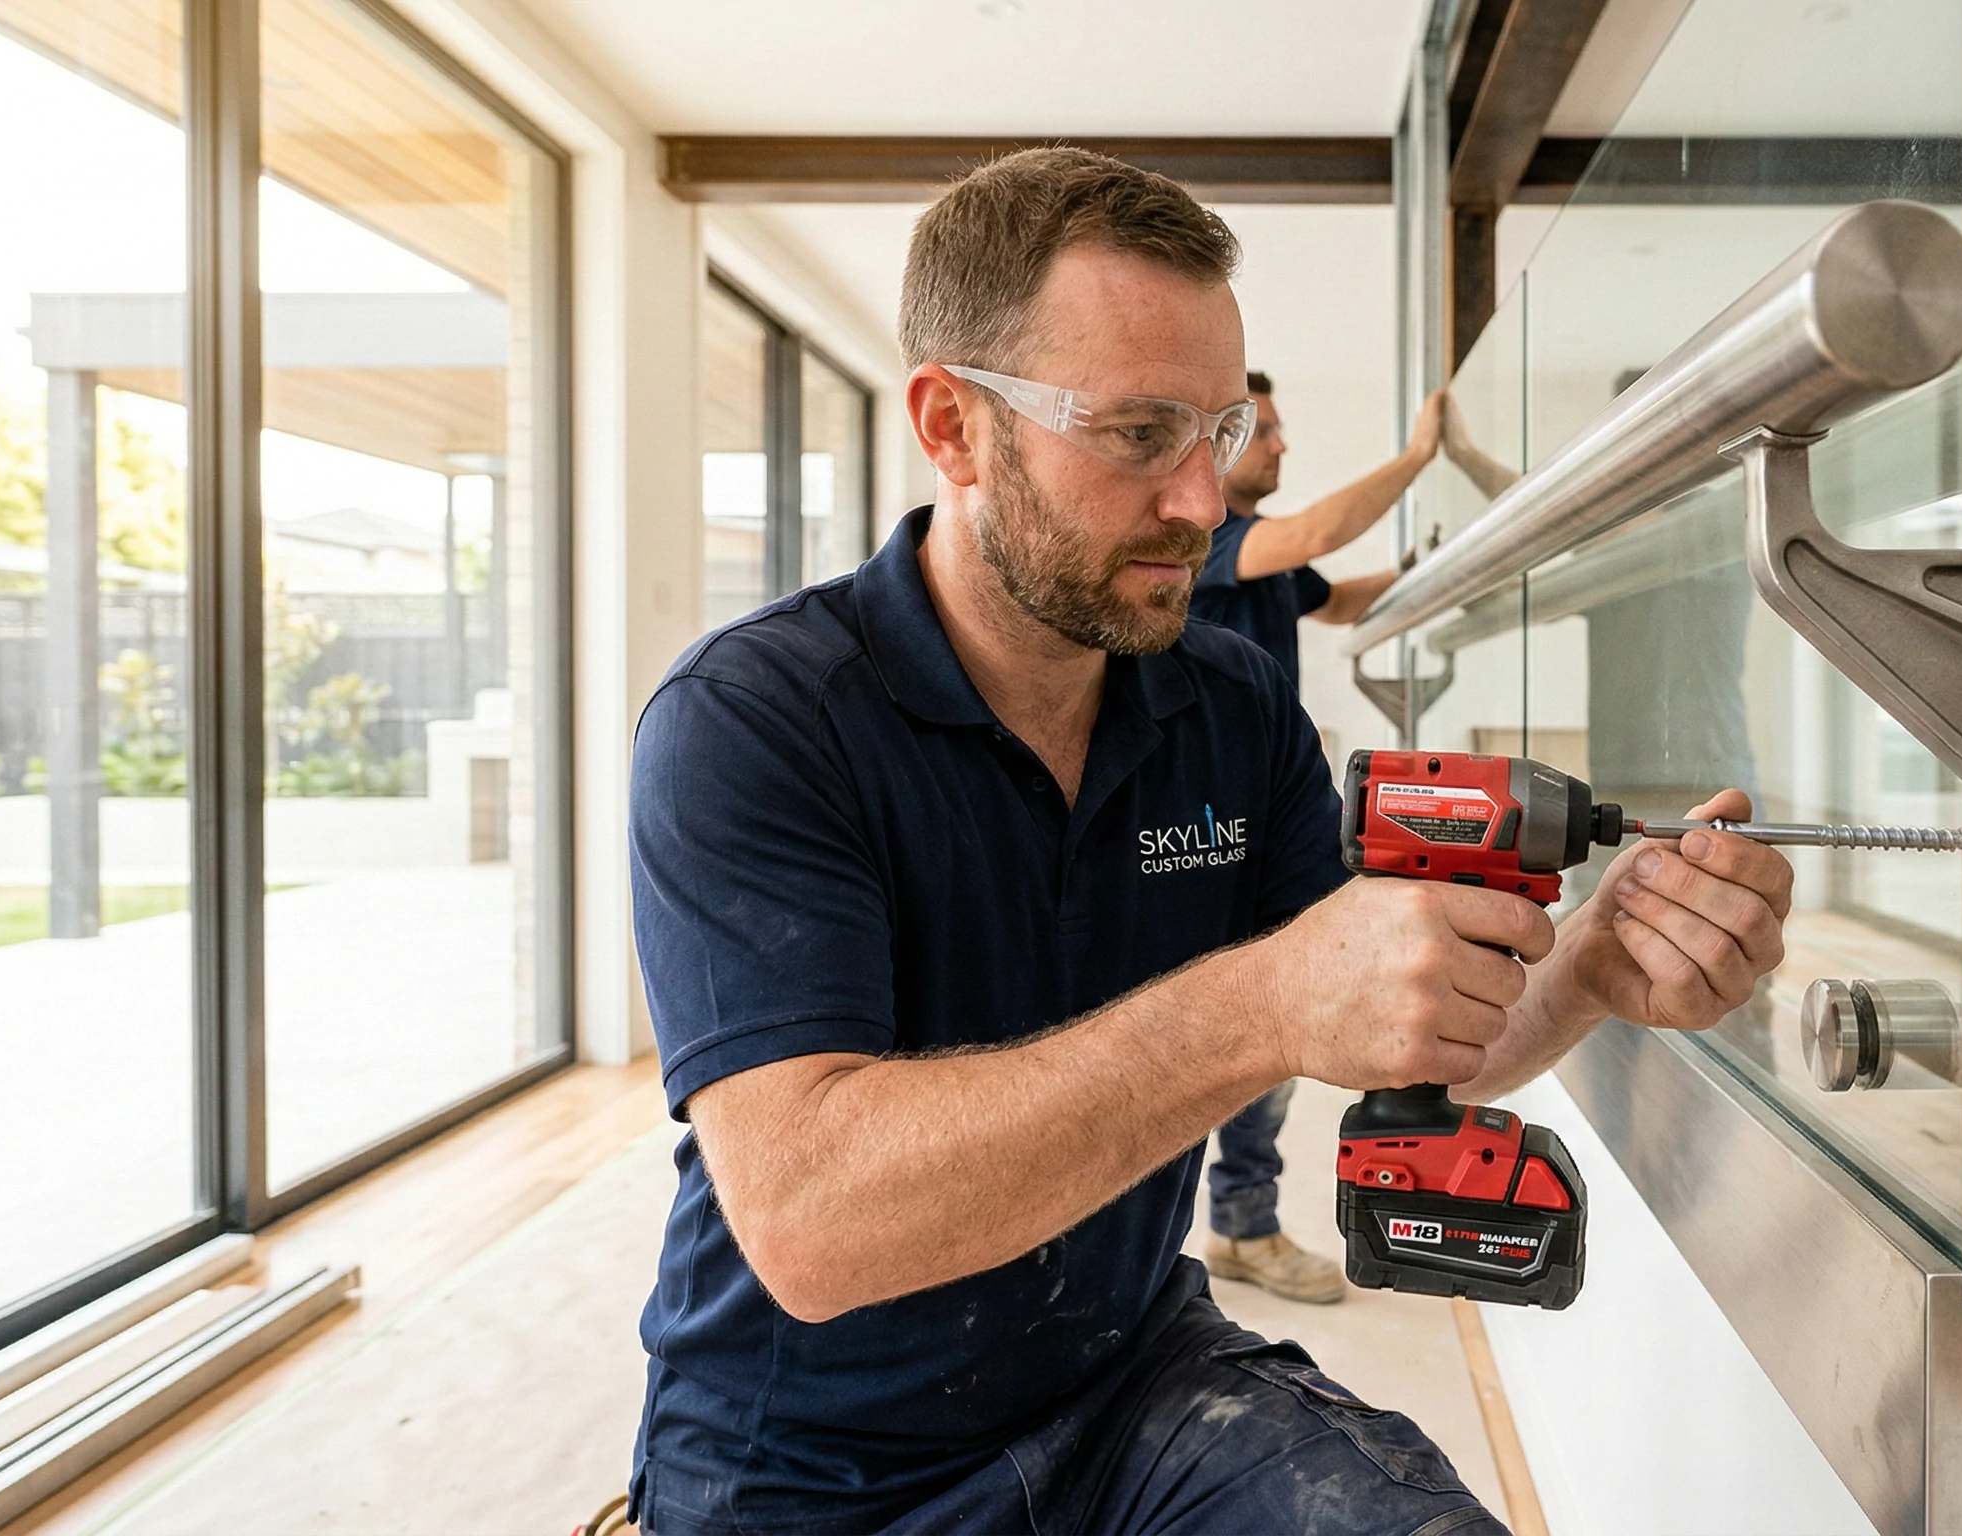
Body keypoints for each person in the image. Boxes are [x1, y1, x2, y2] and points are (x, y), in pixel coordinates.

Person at [625, 146, 1793, 1535]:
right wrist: (1263, 1002)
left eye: (1218, 433)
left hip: (1128, 1379)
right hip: (807, 1468)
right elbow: (814, 1227)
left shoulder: (1228, 701)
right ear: (953, 427)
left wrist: (1593, 963)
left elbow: (1397, 1022)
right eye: (1136, 435)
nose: (1202, 502)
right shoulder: (754, 720)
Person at [1185, 372, 1444, 1306]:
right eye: (1264, 432)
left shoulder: (1262, 560)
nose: (1281, 446)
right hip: (1203, 825)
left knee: (1274, 1028)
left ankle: (1241, 1228)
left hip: (1268, 813)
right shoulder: (1211, 539)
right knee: (1225, 1030)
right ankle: (1230, 1228)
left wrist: (1430, 568)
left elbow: (1333, 599)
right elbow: (1316, 536)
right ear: (1219, 447)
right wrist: (1418, 457)